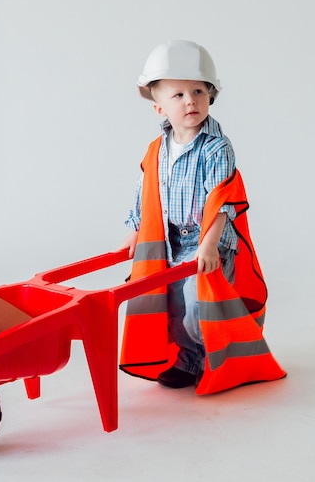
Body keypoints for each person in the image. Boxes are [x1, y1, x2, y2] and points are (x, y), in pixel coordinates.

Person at [118, 40, 286, 392]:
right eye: (177, 95)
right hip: (170, 240)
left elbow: (224, 198)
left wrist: (209, 245)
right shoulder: (156, 151)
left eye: (198, 91)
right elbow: (145, 190)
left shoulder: (216, 147)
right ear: (159, 107)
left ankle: (210, 355)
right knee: (173, 304)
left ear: (212, 95)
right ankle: (189, 357)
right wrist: (136, 230)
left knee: (197, 304)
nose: (190, 101)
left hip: (206, 240)